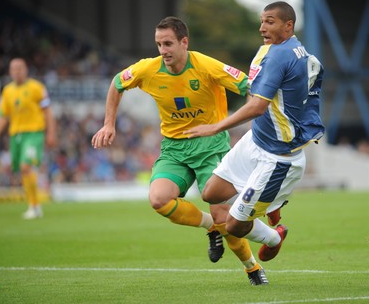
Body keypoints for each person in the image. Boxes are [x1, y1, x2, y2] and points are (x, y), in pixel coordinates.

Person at [91, 16, 268, 285]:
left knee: (225, 217)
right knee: (159, 200)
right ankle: (211, 227)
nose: (163, 50)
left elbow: (250, 87)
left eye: (168, 43)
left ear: (184, 42)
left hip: (212, 147)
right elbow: (117, 83)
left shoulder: (207, 66)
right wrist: (108, 124)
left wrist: (252, 123)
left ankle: (251, 267)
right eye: (159, 44)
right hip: (174, 148)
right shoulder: (148, 69)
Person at [185, 1, 325, 281]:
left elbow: (258, 106)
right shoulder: (282, 51)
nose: (262, 27)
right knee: (211, 193)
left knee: (235, 226)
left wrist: (216, 126)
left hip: (278, 158)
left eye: (270, 21)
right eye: (262, 21)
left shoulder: (281, 56)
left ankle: (274, 237)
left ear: (288, 25)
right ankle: (268, 204)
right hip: (257, 140)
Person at [0, 57, 57, 219]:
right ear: (10, 71)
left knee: (25, 166)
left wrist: (51, 133)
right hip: (15, 135)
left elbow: (48, 112)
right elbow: (3, 116)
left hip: (34, 133)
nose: (17, 71)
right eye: (13, 69)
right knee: (22, 170)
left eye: (20, 68)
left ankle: (34, 206)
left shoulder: (37, 88)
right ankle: (34, 204)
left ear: (26, 69)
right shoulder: (7, 91)